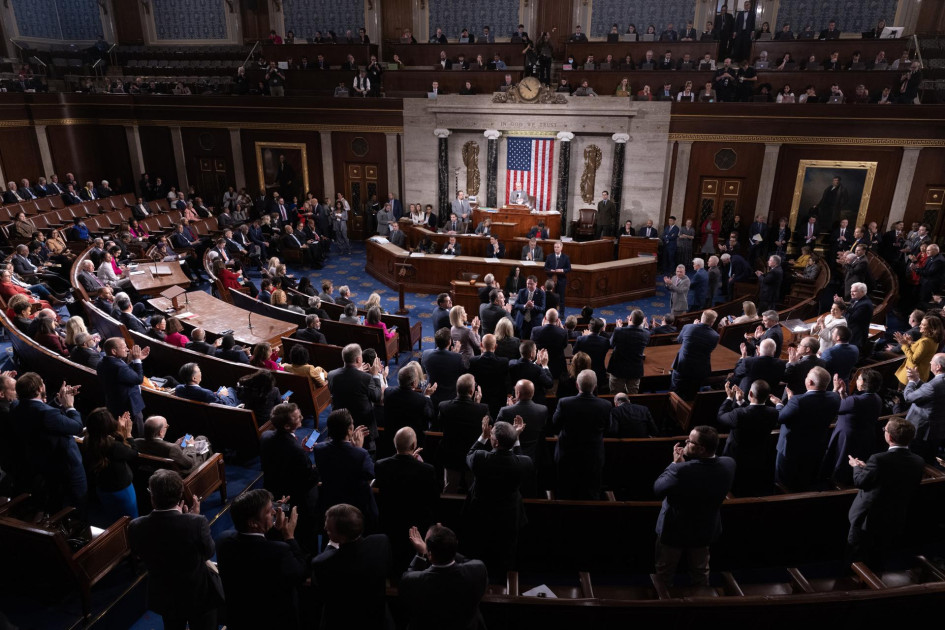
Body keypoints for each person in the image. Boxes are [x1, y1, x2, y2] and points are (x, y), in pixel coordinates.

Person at [128, 469, 220, 630]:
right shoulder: (196, 523)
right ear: (180, 495)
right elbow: (209, 552)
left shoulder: (135, 526)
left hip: (165, 595)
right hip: (197, 594)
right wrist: (193, 517)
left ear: (152, 497)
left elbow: (139, 553)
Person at [653, 425, 736, 586]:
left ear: (701, 449)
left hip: (674, 529)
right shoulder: (729, 464)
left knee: (664, 572)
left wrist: (675, 464)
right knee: (701, 572)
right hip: (705, 528)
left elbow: (658, 488)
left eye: (690, 441)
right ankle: (701, 604)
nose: (686, 442)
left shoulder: (681, 470)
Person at [216, 489, 308, 630]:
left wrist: (273, 529)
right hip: (272, 620)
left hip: (239, 617)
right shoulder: (280, 552)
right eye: (268, 511)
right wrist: (289, 537)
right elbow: (300, 573)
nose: (273, 513)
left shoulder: (223, 540)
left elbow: (257, 547)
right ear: (253, 523)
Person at [847, 416, 926, 570]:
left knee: (855, 555)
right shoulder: (918, 461)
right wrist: (867, 469)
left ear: (889, 436)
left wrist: (856, 467)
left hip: (867, 519)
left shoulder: (878, 459)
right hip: (894, 517)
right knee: (879, 555)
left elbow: (861, 482)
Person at [9, 374, 86, 513]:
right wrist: (69, 406)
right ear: (39, 389)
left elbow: (40, 411)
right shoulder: (47, 414)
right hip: (66, 466)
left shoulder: (16, 406)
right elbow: (77, 427)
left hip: (43, 465)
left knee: (55, 502)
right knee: (77, 504)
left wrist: (58, 400)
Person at [374, 427, 441, 573]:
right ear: (413, 446)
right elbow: (433, 499)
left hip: (390, 521)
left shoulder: (380, 465)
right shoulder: (427, 470)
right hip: (417, 525)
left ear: (395, 444)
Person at [399, 524, 488, 629]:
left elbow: (409, 578)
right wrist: (446, 543)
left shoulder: (413, 581)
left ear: (430, 554)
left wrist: (421, 554)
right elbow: (466, 561)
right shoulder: (477, 570)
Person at [773, 366, 842, 491]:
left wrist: (779, 404)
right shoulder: (835, 398)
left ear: (809, 382)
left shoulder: (797, 401)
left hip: (790, 449)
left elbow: (780, 418)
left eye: (807, 375)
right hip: (816, 447)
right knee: (805, 479)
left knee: (784, 482)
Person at [553, 370, 611, 500]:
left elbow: (555, 425)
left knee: (566, 490)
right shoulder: (605, 405)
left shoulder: (564, 403)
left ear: (577, 386)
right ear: (595, 387)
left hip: (567, 453)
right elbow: (609, 428)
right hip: (593, 455)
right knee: (590, 492)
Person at [312, 409, 377, 526]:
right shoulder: (360, 454)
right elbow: (370, 474)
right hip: (355, 505)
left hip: (330, 501)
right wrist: (358, 448)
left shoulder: (318, 449)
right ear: (349, 430)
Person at [822, 370, 884, 486]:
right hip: (865, 435)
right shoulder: (877, 398)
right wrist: (843, 394)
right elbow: (849, 407)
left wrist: (835, 390)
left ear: (864, 383)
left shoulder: (855, 401)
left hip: (847, 437)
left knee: (841, 461)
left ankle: (837, 482)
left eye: (859, 379)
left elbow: (836, 407)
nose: (857, 381)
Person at [718, 380, 779, 496]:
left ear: (750, 394)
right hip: (759, 457)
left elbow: (721, 416)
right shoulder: (773, 413)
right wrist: (741, 401)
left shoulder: (738, 414)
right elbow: (755, 413)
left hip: (736, 459)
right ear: (767, 396)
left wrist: (730, 398)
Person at [327, 344, 384, 456]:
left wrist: (358, 371)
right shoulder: (366, 378)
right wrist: (376, 375)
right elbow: (376, 397)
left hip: (340, 423)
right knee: (366, 456)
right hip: (363, 428)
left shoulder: (331, 375)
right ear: (358, 359)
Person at [82, 407, 138, 521]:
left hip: (102, 489)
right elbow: (134, 453)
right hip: (122, 492)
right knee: (130, 521)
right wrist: (128, 433)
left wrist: (119, 429)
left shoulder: (88, 441)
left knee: (112, 520)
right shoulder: (113, 447)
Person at [98, 337, 149, 437]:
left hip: (115, 404)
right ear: (114, 351)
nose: (127, 349)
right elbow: (139, 379)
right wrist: (137, 360)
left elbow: (124, 373)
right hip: (130, 407)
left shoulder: (103, 362)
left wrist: (134, 361)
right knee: (137, 434)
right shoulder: (119, 366)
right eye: (124, 347)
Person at [902, 354, 945, 464]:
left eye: (932, 361)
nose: (930, 363)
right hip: (937, 431)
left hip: (921, 432)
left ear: (938, 367)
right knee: (928, 460)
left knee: (914, 461)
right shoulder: (937, 383)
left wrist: (911, 381)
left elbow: (909, 397)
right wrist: (917, 380)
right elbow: (931, 393)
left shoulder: (934, 384)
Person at [671, 310, 720, 400]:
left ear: (701, 318)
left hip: (682, 366)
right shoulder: (715, 336)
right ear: (712, 322)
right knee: (692, 393)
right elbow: (710, 349)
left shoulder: (688, 327)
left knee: (675, 391)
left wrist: (694, 326)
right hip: (699, 369)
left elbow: (679, 340)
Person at [137, 416, 210, 475]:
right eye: (166, 426)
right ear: (161, 432)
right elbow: (189, 464)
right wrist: (190, 445)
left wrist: (175, 445)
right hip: (181, 474)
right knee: (203, 439)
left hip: (155, 471)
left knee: (198, 439)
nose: (167, 427)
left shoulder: (136, 442)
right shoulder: (172, 448)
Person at [607, 309, 649, 394]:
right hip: (635, 370)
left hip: (618, 369)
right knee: (633, 395)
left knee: (616, 395)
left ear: (630, 319)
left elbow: (611, 344)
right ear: (642, 321)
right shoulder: (646, 334)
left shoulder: (619, 331)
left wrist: (619, 328)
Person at [530, 308, 568, 379]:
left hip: (540, 362)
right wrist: (561, 329)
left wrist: (542, 327)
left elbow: (533, 345)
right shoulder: (563, 332)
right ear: (557, 320)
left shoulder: (535, 330)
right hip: (557, 364)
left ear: (545, 318)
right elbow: (564, 345)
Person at [544, 241, 571, 312]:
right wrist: (551, 270)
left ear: (561, 248)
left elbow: (569, 268)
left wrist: (562, 270)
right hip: (551, 280)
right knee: (550, 298)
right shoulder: (549, 256)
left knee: (561, 298)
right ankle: (549, 312)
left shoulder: (566, 257)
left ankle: (561, 314)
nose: (556, 249)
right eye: (555, 247)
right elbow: (545, 268)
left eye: (557, 247)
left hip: (561, 280)